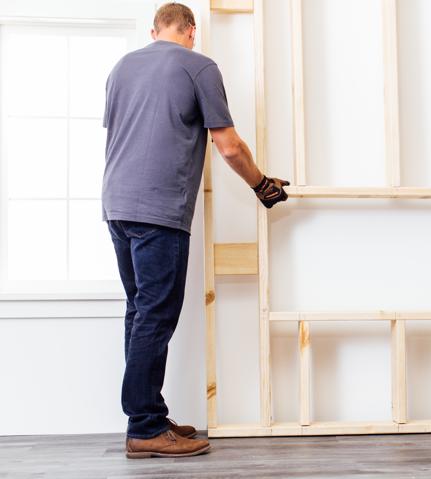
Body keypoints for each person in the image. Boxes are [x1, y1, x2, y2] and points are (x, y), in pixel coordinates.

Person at [102, 2, 289, 458]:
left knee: (141, 312)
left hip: (117, 205)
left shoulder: (122, 67)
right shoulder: (198, 66)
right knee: (156, 314)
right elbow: (228, 146)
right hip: (159, 208)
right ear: (191, 30)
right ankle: (144, 426)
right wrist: (262, 185)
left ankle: (148, 413)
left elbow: (123, 132)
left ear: (154, 31)